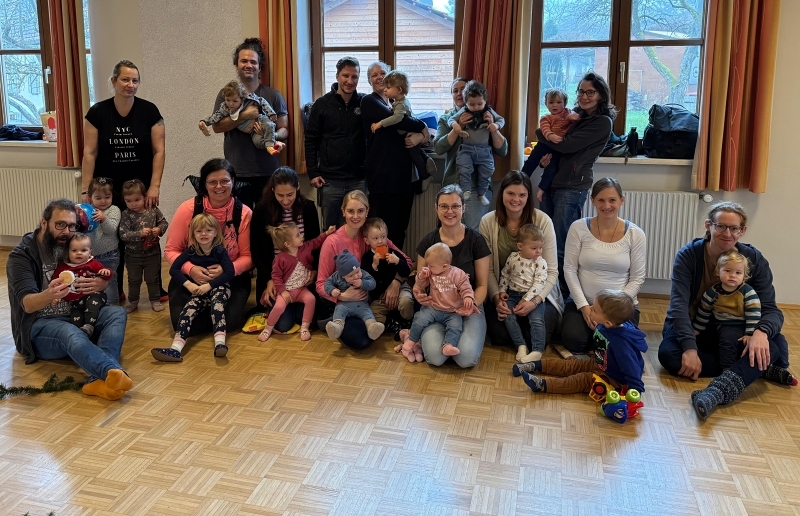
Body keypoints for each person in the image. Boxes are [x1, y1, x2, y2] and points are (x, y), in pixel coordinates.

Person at [657, 202, 795, 420]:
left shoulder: (754, 260)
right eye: (720, 226)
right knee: (669, 355)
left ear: (742, 231)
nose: (727, 233)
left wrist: (760, 334)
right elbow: (678, 307)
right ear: (708, 225)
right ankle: (756, 367)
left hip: (736, 330)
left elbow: (771, 309)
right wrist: (690, 349)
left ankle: (717, 391)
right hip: (698, 326)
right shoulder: (689, 255)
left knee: (769, 344)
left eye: (734, 228)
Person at [7, 199, 132, 401]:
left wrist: (100, 284)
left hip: (79, 313)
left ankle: (96, 380)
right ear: (44, 223)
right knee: (69, 332)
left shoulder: (70, 245)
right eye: (60, 225)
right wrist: (50, 294)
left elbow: (96, 270)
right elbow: (28, 304)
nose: (67, 231)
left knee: (116, 312)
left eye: (72, 226)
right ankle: (111, 370)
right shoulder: (21, 256)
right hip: (40, 326)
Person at [82, 59, 167, 303]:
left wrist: (155, 186)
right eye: (125, 79)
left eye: (135, 80)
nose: (130, 84)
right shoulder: (97, 113)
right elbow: (90, 152)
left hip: (140, 190)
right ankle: (115, 288)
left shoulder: (150, 111)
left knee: (147, 238)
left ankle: (156, 289)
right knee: (112, 239)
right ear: (114, 81)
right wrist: (86, 191)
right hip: (107, 190)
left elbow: (159, 151)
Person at [533, 71, 616, 296]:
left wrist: (540, 134)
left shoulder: (601, 122)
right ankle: (545, 290)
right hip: (551, 182)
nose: (584, 96)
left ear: (601, 95)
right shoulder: (573, 117)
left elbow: (567, 145)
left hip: (572, 187)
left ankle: (561, 294)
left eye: (590, 92)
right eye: (581, 91)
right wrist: (545, 158)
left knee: (561, 244)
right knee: (545, 240)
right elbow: (556, 146)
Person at [479, 171, 563, 362]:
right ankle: (520, 340)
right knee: (499, 335)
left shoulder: (542, 221)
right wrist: (497, 297)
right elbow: (488, 269)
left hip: (540, 293)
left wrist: (535, 301)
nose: (516, 199)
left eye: (522, 195)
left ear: (528, 196)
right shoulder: (488, 222)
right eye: (511, 193)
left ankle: (528, 342)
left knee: (537, 333)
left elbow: (552, 271)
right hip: (507, 292)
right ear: (502, 193)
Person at [164, 158, 253, 336]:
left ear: (233, 181)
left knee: (230, 323)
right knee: (186, 326)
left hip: (230, 276)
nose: (219, 186)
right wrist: (191, 269)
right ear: (204, 184)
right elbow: (171, 250)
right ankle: (209, 311)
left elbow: (248, 257)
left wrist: (226, 269)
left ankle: (208, 310)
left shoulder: (244, 213)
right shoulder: (188, 209)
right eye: (212, 182)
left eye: (224, 181)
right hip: (193, 275)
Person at [316, 191, 412, 350]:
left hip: (372, 297)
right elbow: (320, 284)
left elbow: (407, 261)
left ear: (367, 211)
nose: (355, 216)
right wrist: (342, 296)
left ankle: (391, 321)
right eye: (350, 211)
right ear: (343, 211)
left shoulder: (374, 235)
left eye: (360, 211)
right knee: (360, 340)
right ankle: (389, 322)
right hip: (345, 303)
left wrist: (396, 283)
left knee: (412, 304)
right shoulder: (332, 242)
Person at [561, 178, 646, 353]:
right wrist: (584, 307)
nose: (606, 205)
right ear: (592, 200)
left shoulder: (636, 234)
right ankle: (596, 340)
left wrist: (610, 311)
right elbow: (569, 269)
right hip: (584, 303)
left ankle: (599, 341)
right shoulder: (578, 228)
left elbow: (637, 278)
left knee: (618, 345)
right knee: (574, 341)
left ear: (622, 201)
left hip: (620, 307)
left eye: (612, 200)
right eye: (601, 200)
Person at [513, 290, 647, 396]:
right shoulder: (607, 325)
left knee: (582, 380)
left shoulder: (622, 345)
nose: (590, 308)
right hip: (602, 363)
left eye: (594, 310)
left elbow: (632, 370)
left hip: (614, 379)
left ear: (608, 323)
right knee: (572, 365)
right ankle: (533, 365)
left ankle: (543, 385)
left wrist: (635, 392)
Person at [415, 185, 490, 367]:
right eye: (444, 206)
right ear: (436, 208)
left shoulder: (476, 240)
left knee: (465, 359)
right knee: (435, 358)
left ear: (463, 208)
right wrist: (418, 291)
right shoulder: (428, 241)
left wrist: (471, 304)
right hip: (437, 307)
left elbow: (482, 286)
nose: (450, 211)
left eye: (455, 206)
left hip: (468, 305)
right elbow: (420, 282)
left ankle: (453, 340)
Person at [361, 61, 431, 250]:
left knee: (400, 229)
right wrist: (422, 127)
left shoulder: (396, 102)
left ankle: (398, 266)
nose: (379, 77)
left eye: (383, 73)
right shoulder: (369, 102)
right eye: (374, 75)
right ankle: (382, 266)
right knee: (383, 231)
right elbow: (403, 123)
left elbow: (409, 125)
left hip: (404, 176)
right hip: (383, 177)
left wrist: (420, 136)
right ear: (369, 80)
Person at [211, 38, 289, 209]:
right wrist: (245, 115)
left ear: (260, 67)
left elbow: (284, 129)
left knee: (267, 221)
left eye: (253, 62)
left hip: (268, 172)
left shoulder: (273, 95)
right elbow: (217, 127)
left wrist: (271, 135)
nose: (249, 65)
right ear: (236, 65)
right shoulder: (225, 94)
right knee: (240, 221)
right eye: (244, 61)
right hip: (236, 171)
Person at [153, 214, 235, 362]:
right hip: (199, 290)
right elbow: (174, 270)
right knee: (186, 313)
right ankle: (175, 349)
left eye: (208, 230)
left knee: (217, 306)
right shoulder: (191, 251)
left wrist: (209, 285)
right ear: (193, 234)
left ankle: (220, 344)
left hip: (219, 287)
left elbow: (230, 273)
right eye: (199, 231)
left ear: (215, 232)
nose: (204, 234)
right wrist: (189, 285)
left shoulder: (220, 251)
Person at [251, 167, 322, 330]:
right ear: (273, 190)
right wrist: (269, 279)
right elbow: (257, 252)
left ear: (298, 187)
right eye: (280, 195)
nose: (285, 200)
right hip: (275, 278)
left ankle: (295, 307)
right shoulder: (261, 210)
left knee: (309, 320)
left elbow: (316, 244)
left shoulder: (308, 208)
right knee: (283, 324)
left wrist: (314, 270)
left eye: (290, 194)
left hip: (303, 277)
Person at [434, 78, 508, 228]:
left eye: (462, 89)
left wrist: (492, 126)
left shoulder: (487, 114)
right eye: (455, 91)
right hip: (452, 184)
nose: (459, 93)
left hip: (477, 187)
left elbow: (503, 150)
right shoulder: (447, 119)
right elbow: (439, 148)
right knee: (450, 232)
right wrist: (458, 127)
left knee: (473, 232)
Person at [305, 56, 367, 228]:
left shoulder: (365, 103)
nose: (350, 81)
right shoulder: (322, 104)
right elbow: (310, 140)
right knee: (330, 229)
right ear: (337, 76)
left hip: (359, 179)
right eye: (345, 76)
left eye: (354, 76)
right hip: (330, 180)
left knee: (359, 228)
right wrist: (313, 172)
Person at [398, 242, 477, 362]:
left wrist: (468, 297)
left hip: (453, 311)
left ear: (445, 266)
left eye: (431, 266)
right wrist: (421, 276)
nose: (428, 267)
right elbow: (420, 285)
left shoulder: (458, 274)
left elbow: (466, 287)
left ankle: (448, 345)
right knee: (420, 318)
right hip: (433, 307)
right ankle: (411, 339)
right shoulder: (431, 273)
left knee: (456, 326)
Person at [258, 222, 335, 342]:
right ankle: (267, 328)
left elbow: (316, 241)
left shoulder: (305, 247)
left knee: (311, 299)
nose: (302, 236)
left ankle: (305, 328)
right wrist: (283, 291)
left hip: (301, 290)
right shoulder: (280, 258)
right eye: (298, 235)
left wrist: (327, 233)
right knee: (278, 306)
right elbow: (276, 277)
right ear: (287, 244)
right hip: (286, 291)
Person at [693, 251, 761, 371]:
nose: (732, 275)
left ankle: (727, 369)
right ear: (718, 272)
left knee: (727, 340)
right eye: (727, 271)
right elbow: (704, 311)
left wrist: (750, 333)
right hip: (718, 323)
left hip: (738, 324)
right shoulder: (712, 292)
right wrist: (697, 329)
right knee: (704, 340)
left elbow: (754, 314)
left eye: (738, 272)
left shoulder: (747, 292)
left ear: (744, 275)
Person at [369, 70, 434, 184]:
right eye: (374, 75)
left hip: (407, 134)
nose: (385, 89)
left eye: (388, 87)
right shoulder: (399, 101)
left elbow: (397, 118)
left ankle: (425, 176)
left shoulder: (401, 104)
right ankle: (427, 159)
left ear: (399, 90)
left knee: (414, 155)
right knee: (415, 152)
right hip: (407, 134)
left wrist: (380, 123)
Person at [448, 80, 505, 206]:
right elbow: (451, 119)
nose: (476, 107)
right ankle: (466, 190)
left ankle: (482, 193)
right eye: (472, 105)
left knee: (488, 169)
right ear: (466, 102)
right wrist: (457, 126)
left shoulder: (488, 111)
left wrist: (495, 125)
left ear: (485, 101)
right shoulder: (463, 111)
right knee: (465, 168)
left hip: (484, 149)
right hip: (467, 149)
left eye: (480, 104)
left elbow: (501, 120)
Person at [498, 224, 549, 362]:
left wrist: (527, 299)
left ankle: (537, 350)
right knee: (507, 315)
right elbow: (505, 274)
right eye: (534, 248)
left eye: (540, 247)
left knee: (537, 320)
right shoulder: (512, 258)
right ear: (520, 246)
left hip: (533, 297)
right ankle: (521, 345)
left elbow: (540, 283)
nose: (538, 251)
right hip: (513, 294)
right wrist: (502, 291)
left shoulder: (540, 262)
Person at [520, 88, 580, 202]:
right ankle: (521, 180)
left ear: (565, 103)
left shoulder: (567, 113)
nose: (555, 105)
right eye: (551, 102)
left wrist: (575, 118)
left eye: (559, 102)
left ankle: (541, 189)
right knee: (531, 161)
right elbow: (544, 129)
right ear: (546, 104)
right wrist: (551, 136)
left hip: (557, 149)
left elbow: (575, 118)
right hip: (544, 144)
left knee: (551, 169)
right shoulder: (546, 118)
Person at [119, 179, 169, 313]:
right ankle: (133, 301)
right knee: (133, 279)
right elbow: (123, 234)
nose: (133, 204)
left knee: (152, 278)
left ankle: (155, 300)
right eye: (128, 201)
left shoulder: (153, 210)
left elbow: (164, 223)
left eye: (137, 199)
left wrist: (159, 229)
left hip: (152, 253)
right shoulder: (126, 214)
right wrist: (139, 234)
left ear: (145, 196)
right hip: (132, 255)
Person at [200, 80, 285, 155]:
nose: (231, 104)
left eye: (235, 101)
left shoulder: (249, 100)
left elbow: (262, 101)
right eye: (228, 100)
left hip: (260, 120)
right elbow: (216, 116)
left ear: (241, 99)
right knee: (258, 142)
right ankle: (274, 145)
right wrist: (205, 122)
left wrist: (271, 113)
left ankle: (270, 144)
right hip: (253, 132)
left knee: (269, 125)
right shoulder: (225, 108)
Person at [360, 217, 414, 330]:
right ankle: (391, 323)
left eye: (383, 237)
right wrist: (374, 266)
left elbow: (406, 271)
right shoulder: (367, 258)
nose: (380, 241)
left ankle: (407, 322)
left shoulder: (393, 253)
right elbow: (366, 280)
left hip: (400, 289)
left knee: (407, 302)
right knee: (371, 313)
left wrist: (398, 262)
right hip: (380, 296)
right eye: (375, 238)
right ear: (367, 241)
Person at [53, 233, 112, 336]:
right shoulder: (63, 268)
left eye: (83, 250)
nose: (79, 253)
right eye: (74, 250)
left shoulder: (93, 264)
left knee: (93, 305)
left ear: (90, 252)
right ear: (68, 252)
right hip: (75, 302)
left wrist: (106, 272)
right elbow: (56, 282)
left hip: (93, 295)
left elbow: (106, 276)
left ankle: (89, 326)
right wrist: (56, 296)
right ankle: (80, 335)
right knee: (75, 318)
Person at [323, 249, 385, 341]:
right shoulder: (337, 276)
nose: (356, 276)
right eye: (351, 276)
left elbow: (373, 283)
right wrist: (332, 291)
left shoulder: (363, 274)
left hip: (362, 304)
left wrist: (362, 283)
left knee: (367, 313)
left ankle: (372, 327)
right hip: (343, 305)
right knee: (339, 311)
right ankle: (337, 327)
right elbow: (327, 283)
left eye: (357, 272)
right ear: (343, 276)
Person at [86, 177, 122, 306]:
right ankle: (95, 305)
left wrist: (104, 218)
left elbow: (111, 230)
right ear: (90, 198)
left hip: (109, 255)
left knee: (109, 281)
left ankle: (112, 307)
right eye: (98, 198)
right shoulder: (87, 210)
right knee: (92, 282)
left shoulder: (114, 210)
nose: (103, 201)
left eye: (107, 197)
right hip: (90, 256)